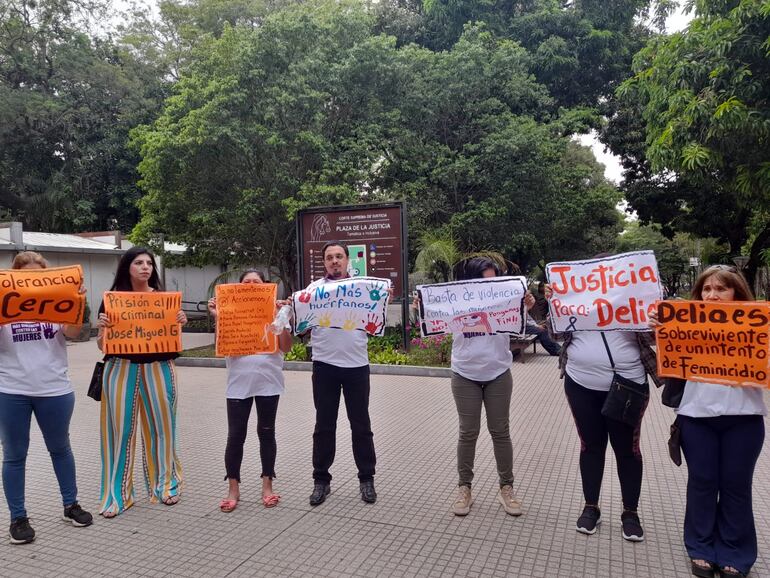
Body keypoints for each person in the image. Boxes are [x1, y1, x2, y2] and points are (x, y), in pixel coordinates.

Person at [659, 266, 765, 578]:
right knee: (702, 483)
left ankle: (735, 550)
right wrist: (662, 329)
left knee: (736, 486)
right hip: (697, 418)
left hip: (743, 421)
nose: (712, 295)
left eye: (721, 288)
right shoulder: (686, 325)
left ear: (737, 293)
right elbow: (670, 362)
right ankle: (700, 547)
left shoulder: (758, 327)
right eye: (706, 289)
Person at [545, 265, 661, 542]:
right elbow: (556, 335)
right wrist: (554, 305)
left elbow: (656, 337)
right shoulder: (574, 301)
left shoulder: (638, 302)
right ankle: (591, 506)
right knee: (590, 445)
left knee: (627, 449)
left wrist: (659, 319)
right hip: (580, 383)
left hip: (628, 385)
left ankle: (630, 512)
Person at [0, 251, 93, 544]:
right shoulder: (4, 306)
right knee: (14, 455)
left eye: (37, 276)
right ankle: (18, 517)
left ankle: (70, 504)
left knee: (60, 448)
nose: (31, 281)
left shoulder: (56, 302)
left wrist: (78, 303)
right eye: (25, 276)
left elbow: (74, 333)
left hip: (55, 390)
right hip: (11, 390)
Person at [96, 246, 187, 518]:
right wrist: (102, 329)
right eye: (138, 263)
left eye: (149, 263)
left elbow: (172, 337)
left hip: (159, 368)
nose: (145, 267)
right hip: (121, 369)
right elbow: (103, 346)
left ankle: (167, 486)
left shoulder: (164, 300)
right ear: (127, 267)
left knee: (163, 428)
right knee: (119, 431)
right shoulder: (112, 301)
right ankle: (117, 495)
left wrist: (180, 320)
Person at [437, 257, 529, 517]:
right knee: (468, 432)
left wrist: (526, 306)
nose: (488, 286)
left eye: (492, 281)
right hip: (465, 373)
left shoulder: (505, 299)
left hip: (498, 372)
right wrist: (423, 308)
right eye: (482, 281)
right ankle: (464, 487)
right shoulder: (455, 301)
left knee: (500, 431)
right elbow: (432, 319)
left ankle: (506, 488)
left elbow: (520, 325)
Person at [207, 269, 293, 512]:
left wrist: (282, 318)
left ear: (266, 286)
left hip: (269, 381)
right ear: (239, 287)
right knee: (235, 436)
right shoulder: (229, 313)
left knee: (267, 433)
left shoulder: (277, 311)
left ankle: (268, 485)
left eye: (257, 282)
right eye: (247, 282)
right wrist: (218, 317)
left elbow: (285, 347)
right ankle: (233, 488)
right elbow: (221, 347)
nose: (252, 285)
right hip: (238, 384)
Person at [302, 242, 378, 506]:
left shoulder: (364, 289)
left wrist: (380, 300)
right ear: (324, 263)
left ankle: (366, 479)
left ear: (348, 261)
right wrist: (295, 307)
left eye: (339, 257)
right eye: (329, 258)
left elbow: (375, 321)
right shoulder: (313, 291)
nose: (334, 261)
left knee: (361, 425)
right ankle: (321, 481)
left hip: (357, 366)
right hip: (324, 366)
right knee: (324, 426)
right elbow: (301, 326)